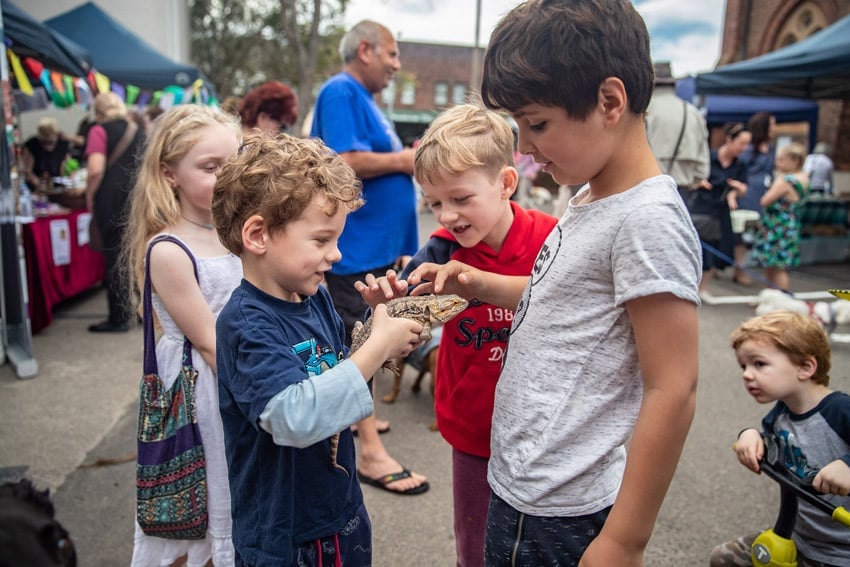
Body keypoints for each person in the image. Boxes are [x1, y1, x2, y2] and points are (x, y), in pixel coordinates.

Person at [405, 1, 702, 564]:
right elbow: (557, 296)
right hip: (522, 481)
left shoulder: (647, 219)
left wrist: (622, 539)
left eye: (537, 124)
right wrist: (479, 285)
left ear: (609, 102)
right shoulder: (590, 196)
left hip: (562, 505)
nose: (527, 147)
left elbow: (675, 388)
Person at [357, 103, 558, 566]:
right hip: (472, 425)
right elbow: (405, 311)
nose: (446, 215)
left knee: (540, 542)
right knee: (476, 543)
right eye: (434, 203)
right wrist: (385, 306)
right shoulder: (440, 249)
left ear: (507, 183)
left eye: (460, 198)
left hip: (542, 428)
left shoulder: (552, 239)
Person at [211, 132, 424, 566]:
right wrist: (376, 347)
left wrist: (379, 329)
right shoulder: (246, 324)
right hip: (284, 538)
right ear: (258, 234)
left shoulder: (314, 297)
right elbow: (293, 417)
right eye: (321, 240)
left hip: (339, 514)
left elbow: (338, 371)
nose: (337, 255)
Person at [310, 19, 427, 495]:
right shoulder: (341, 91)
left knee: (368, 333)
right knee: (360, 341)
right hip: (355, 248)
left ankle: (363, 420)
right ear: (365, 50)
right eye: (392, 55)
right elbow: (342, 160)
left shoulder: (366, 101)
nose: (397, 65)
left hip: (373, 248)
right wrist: (404, 161)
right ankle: (370, 456)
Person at [123, 104, 242, 566]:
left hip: (232, 372)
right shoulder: (169, 249)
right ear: (170, 173)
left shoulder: (234, 232)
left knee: (234, 495)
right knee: (207, 506)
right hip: (205, 393)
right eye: (211, 167)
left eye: (233, 164)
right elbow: (211, 343)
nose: (226, 176)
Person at [709, 311, 850, 567]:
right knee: (723, 558)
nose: (747, 374)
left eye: (759, 364)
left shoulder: (840, 410)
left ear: (805, 367)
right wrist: (750, 435)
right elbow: (770, 443)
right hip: (798, 537)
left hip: (841, 554)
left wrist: (847, 464)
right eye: (744, 366)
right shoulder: (781, 415)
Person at [85, 92, 146, 333]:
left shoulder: (99, 131)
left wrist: (89, 195)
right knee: (137, 256)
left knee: (114, 258)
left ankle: (119, 317)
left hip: (111, 200)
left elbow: (95, 170)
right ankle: (144, 312)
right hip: (137, 198)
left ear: (98, 110)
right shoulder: (138, 130)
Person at [690, 122, 750, 292]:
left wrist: (736, 189)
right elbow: (692, 179)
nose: (744, 148)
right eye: (742, 143)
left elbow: (744, 189)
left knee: (715, 252)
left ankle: (701, 291)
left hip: (721, 211)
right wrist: (700, 182)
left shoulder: (740, 164)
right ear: (729, 139)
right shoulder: (708, 157)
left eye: (747, 144)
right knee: (697, 249)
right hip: (701, 207)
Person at [646, 61, 710, 200]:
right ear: (673, 84)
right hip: (682, 195)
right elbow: (702, 170)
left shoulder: (644, 111)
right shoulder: (693, 113)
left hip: (647, 194)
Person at [752, 142, 810, 293]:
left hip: (777, 226)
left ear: (795, 161)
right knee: (776, 264)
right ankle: (770, 297)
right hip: (789, 224)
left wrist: (775, 184)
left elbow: (765, 200)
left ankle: (779, 299)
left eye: (782, 159)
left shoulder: (786, 181)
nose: (777, 163)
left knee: (777, 266)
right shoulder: (803, 178)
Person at [736, 111, 777, 283]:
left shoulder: (770, 149)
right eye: (772, 124)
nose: (775, 128)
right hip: (748, 193)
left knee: (754, 233)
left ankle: (743, 269)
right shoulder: (749, 150)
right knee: (743, 232)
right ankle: (740, 270)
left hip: (764, 193)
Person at [22, 117, 70, 189]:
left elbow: (66, 165)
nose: (47, 143)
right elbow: (28, 170)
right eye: (44, 140)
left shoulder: (63, 143)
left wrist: (65, 180)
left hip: (58, 184)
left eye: (50, 140)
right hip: (37, 186)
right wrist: (36, 182)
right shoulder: (32, 144)